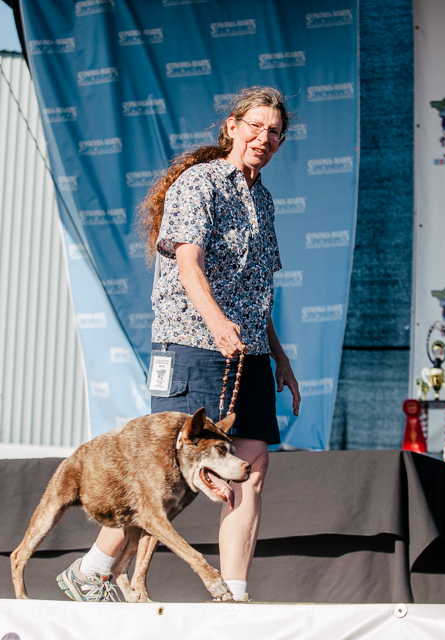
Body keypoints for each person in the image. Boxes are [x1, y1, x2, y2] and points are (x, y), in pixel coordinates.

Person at [57, 86, 302, 603]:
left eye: (275, 131)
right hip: (192, 343)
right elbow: (188, 264)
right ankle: (94, 570)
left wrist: (278, 356)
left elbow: (259, 294)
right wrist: (216, 323)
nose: (265, 137)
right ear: (232, 126)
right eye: (255, 126)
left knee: (249, 471)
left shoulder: (263, 198)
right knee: (166, 474)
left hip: (251, 352)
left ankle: (234, 596)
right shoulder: (200, 182)